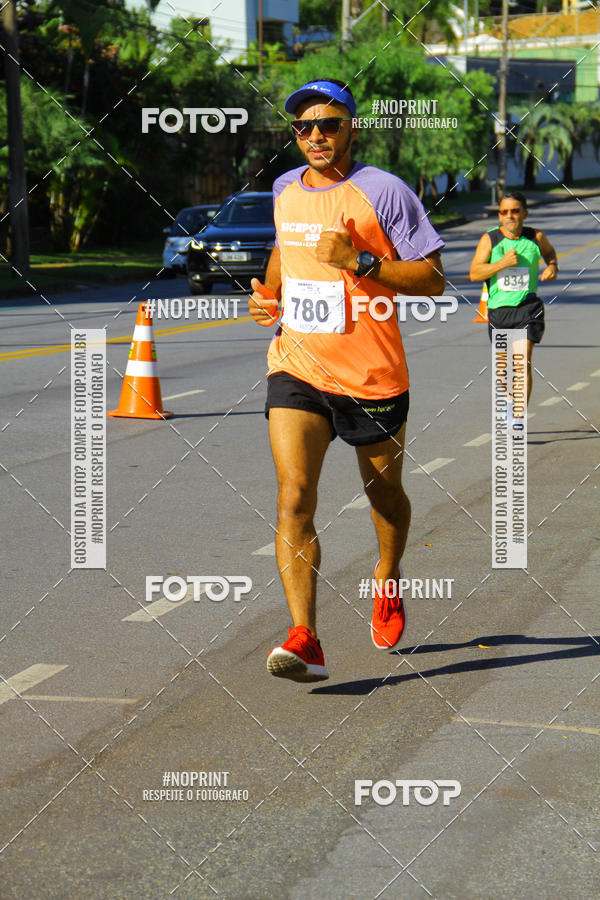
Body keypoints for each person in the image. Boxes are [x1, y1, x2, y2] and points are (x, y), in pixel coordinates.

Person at [249, 78, 445, 682]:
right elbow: (285, 249)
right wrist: (270, 293)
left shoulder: (384, 191)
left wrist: (359, 262)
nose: (315, 136)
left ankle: (387, 576)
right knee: (293, 496)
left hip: (371, 375)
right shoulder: (284, 187)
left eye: (327, 124)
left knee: (383, 495)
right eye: (302, 127)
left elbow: (434, 279)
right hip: (297, 366)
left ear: (351, 126)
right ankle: (304, 636)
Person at [469, 191, 558, 405]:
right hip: (499, 311)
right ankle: (510, 403)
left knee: (522, 362)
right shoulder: (490, 239)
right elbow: (475, 273)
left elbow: (549, 253)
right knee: (503, 368)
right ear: (499, 216)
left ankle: (518, 417)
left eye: (515, 211)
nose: (510, 216)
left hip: (528, 308)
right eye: (504, 212)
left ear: (525, 214)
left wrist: (552, 266)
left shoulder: (536, 237)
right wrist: (502, 264)